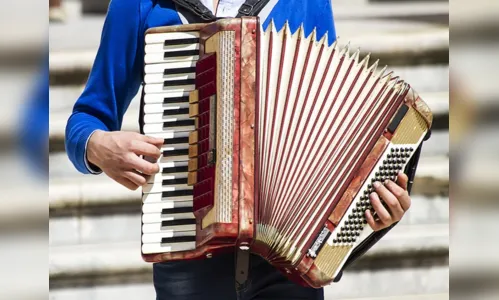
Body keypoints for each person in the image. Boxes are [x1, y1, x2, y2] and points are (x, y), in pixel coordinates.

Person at [65, 1, 413, 299]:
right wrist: (97, 146)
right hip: (189, 264)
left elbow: (338, 132)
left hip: (288, 269)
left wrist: (372, 205)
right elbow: (84, 119)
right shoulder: (143, 4)